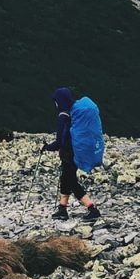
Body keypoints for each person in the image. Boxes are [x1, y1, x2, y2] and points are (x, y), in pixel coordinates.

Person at [42, 87, 100, 221]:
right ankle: (62, 209)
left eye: (55, 101)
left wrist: (46, 147)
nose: (55, 104)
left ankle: (92, 209)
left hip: (68, 154)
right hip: (75, 152)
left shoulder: (63, 116)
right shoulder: (73, 114)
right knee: (66, 179)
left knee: (72, 182)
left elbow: (59, 141)